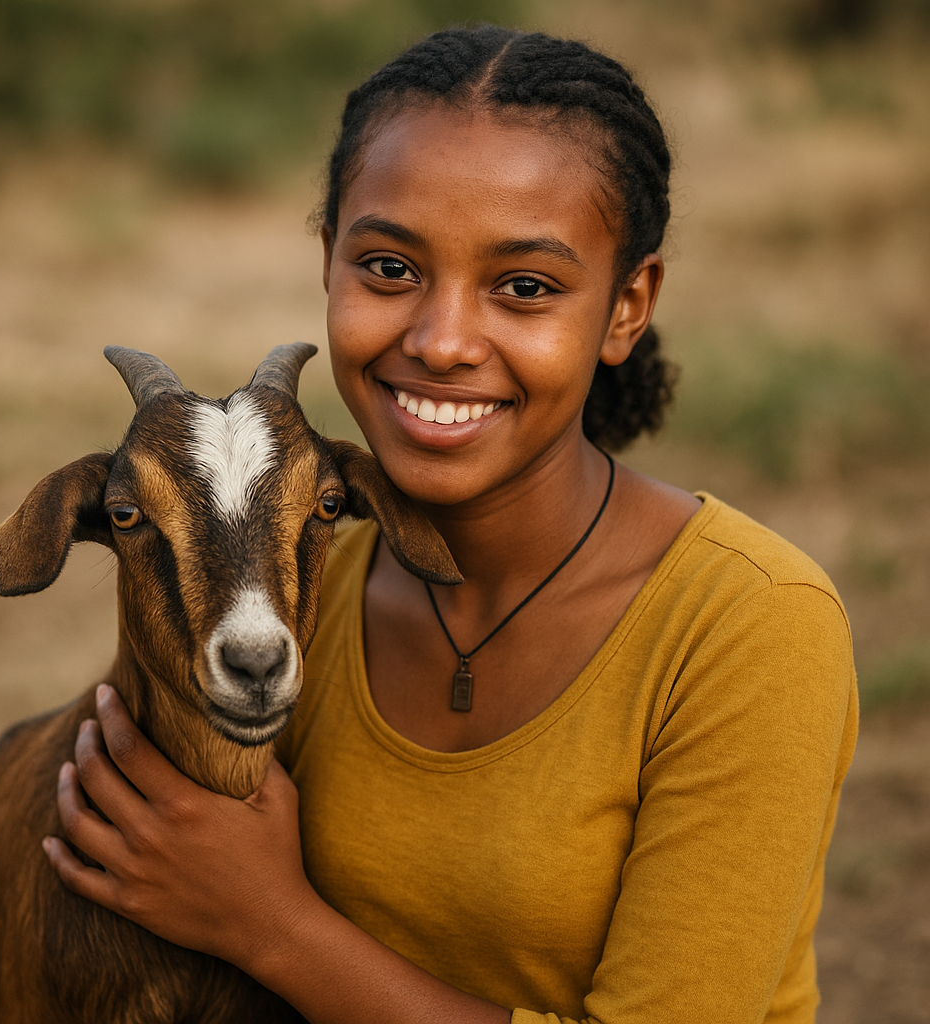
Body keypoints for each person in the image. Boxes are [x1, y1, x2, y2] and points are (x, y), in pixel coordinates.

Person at [42, 26, 858, 1024]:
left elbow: (242, 908)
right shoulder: (306, 576)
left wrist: (273, 924)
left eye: (524, 286)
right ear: (328, 263)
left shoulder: (750, 626)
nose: (440, 342)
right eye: (388, 267)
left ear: (624, 307)